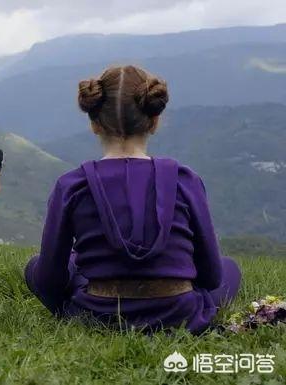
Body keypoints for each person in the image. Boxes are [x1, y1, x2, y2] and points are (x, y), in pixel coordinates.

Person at [24, 65, 241, 334]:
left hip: (95, 312)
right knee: (230, 268)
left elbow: (49, 280)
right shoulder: (185, 180)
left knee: (36, 265)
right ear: (154, 121)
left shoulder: (71, 185)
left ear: (94, 123)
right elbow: (211, 275)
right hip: (179, 312)